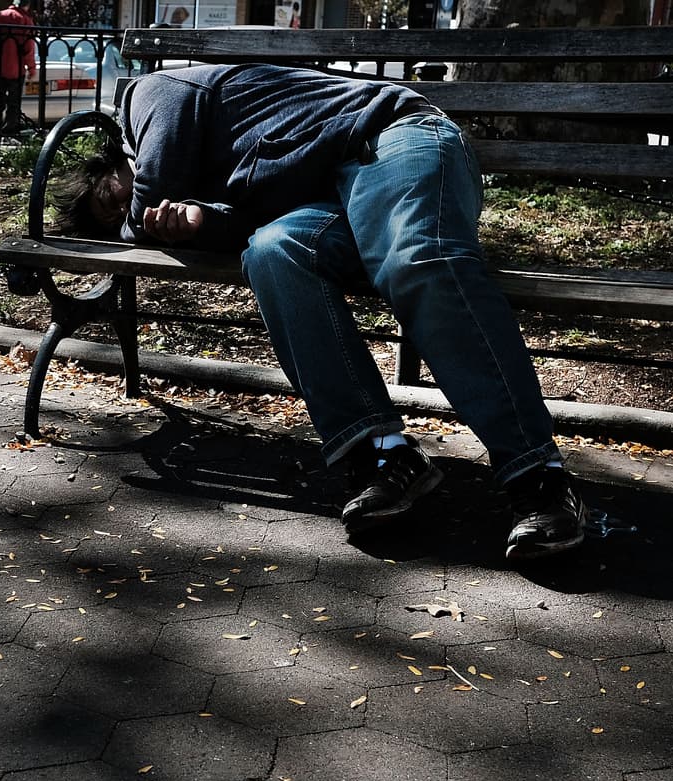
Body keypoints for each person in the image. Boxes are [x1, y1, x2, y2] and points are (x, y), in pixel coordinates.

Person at [61, 64, 587, 562]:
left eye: (114, 196)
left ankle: (537, 474)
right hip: (331, 192)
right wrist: (199, 221)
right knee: (272, 253)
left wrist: (139, 224)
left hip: (393, 138)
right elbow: (244, 219)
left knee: (417, 261)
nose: (128, 209)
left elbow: (155, 176)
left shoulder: (149, 95)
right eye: (114, 217)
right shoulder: (195, 177)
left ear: (115, 162)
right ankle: (384, 454)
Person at [0, 0, 37, 135]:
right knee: (14, 103)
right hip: (17, 68)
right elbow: (29, 47)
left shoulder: (0, 15)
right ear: (27, 5)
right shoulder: (25, 20)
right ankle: (9, 131)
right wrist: (31, 68)